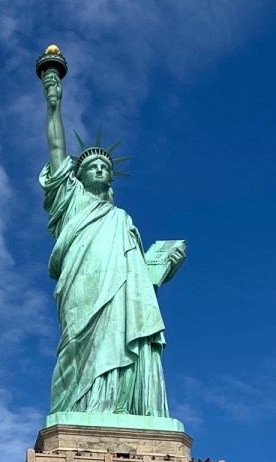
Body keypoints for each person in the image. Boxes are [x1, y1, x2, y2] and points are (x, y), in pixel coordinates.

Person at [40, 68, 185, 416]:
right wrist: (53, 104)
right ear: (78, 176)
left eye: (105, 167)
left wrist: (163, 264)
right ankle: (82, 405)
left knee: (121, 333)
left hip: (122, 291)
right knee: (78, 341)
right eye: (92, 166)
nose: (100, 170)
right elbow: (57, 148)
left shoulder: (122, 219)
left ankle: (121, 406)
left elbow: (140, 275)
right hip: (82, 285)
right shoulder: (71, 201)